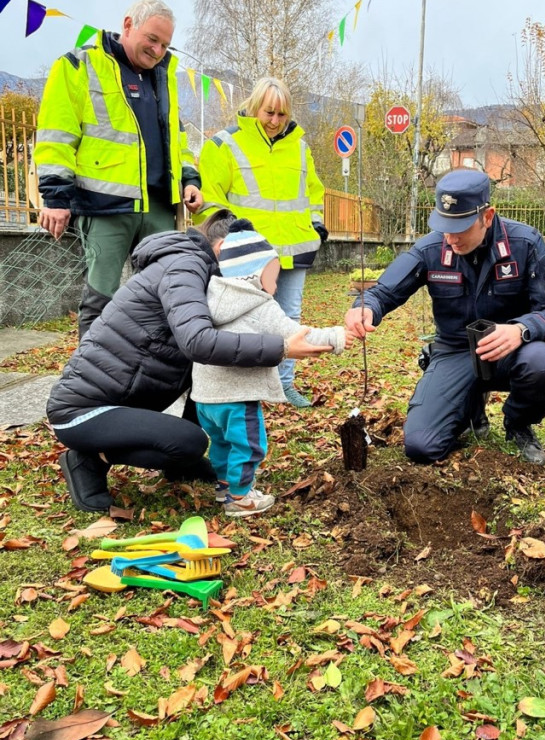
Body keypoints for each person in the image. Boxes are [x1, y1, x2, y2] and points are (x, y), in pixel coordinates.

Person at [46, 210, 334, 514]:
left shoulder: (203, 273)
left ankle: (177, 463)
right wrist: (282, 348)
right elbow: (198, 341)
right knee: (190, 443)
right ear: (223, 248)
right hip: (82, 411)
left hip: (125, 401)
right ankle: (88, 459)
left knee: (206, 397)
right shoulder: (184, 266)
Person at [344, 169, 545, 466]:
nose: (451, 238)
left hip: (514, 350)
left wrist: (520, 329)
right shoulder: (431, 247)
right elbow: (385, 291)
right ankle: (469, 409)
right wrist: (366, 306)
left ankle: (518, 423)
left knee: (540, 363)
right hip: (455, 352)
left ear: (487, 216)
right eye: (445, 227)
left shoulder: (525, 244)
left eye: (461, 228)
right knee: (421, 447)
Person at [35, 0, 203, 337]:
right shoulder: (78, 66)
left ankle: (146, 377)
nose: (158, 50)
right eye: (152, 39)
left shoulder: (164, 78)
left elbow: (177, 138)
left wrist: (189, 179)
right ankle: (91, 382)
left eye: (165, 44)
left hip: (158, 208)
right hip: (104, 206)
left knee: (160, 297)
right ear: (128, 25)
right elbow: (56, 135)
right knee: (101, 300)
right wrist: (54, 197)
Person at [192, 220, 347, 518]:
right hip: (238, 397)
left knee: (222, 443)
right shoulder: (260, 304)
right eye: (273, 276)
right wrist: (337, 337)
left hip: (205, 398)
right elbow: (296, 334)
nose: (275, 285)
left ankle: (224, 485)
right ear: (255, 274)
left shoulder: (208, 294)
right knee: (249, 446)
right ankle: (240, 497)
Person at [195, 75, 327, 408]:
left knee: (289, 317)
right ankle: (245, 387)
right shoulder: (224, 144)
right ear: (254, 107)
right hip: (246, 254)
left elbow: (312, 190)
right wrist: (226, 235)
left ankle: (284, 387)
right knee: (242, 319)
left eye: (282, 115)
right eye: (269, 113)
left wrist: (316, 224)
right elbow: (210, 199)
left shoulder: (299, 146)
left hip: (294, 247)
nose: (275, 121)